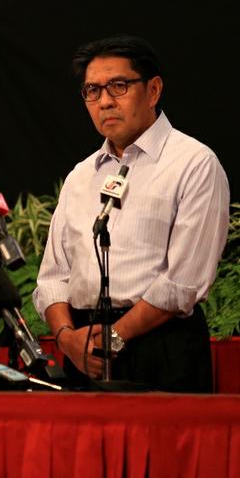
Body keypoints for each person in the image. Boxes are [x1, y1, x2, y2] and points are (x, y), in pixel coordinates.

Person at [33, 35, 229, 392]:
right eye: (93, 91)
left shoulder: (193, 164)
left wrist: (114, 336)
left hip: (161, 347)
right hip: (83, 350)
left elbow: (183, 281)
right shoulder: (82, 176)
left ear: (153, 90)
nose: (104, 101)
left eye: (118, 86)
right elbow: (52, 277)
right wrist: (65, 337)